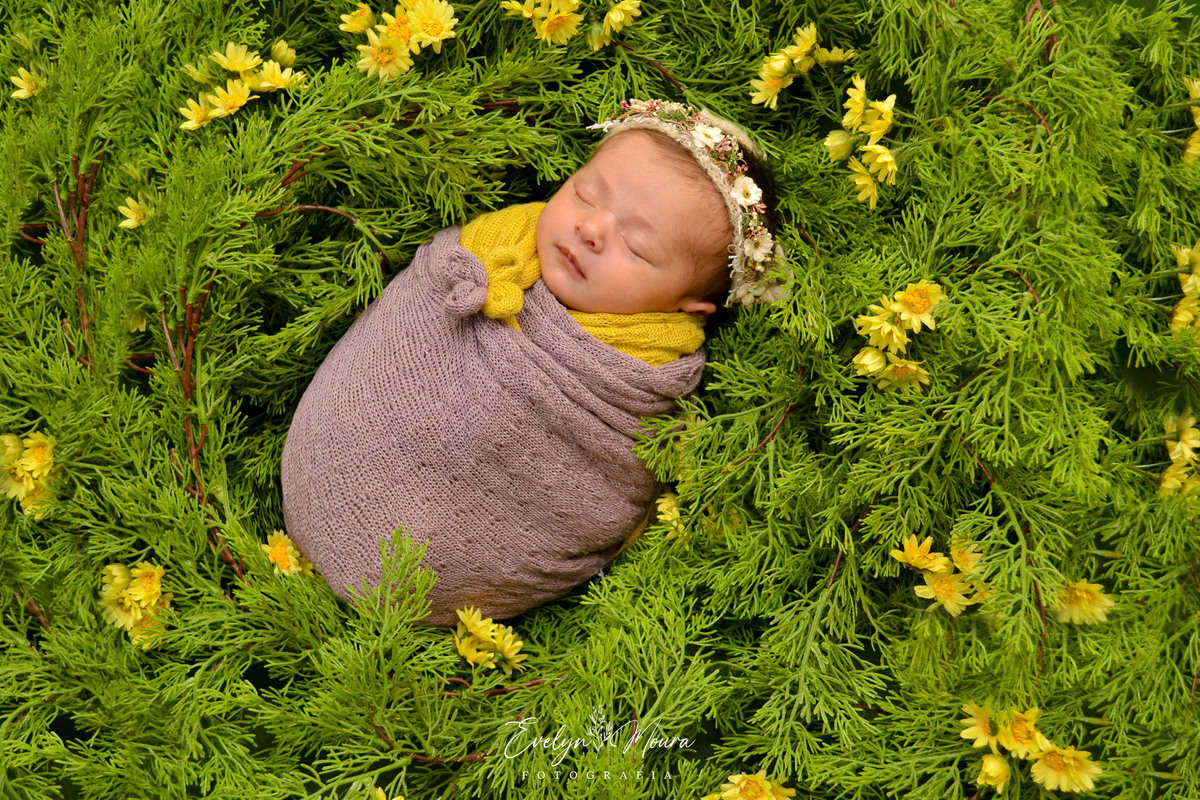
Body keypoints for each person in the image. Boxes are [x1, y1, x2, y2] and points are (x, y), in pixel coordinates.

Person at [279, 99, 788, 626]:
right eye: (585, 194)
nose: (592, 229)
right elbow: (406, 333)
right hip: (329, 459)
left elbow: (602, 482)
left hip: (443, 568)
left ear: (688, 305)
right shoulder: (494, 248)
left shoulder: (643, 382)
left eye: (635, 246)